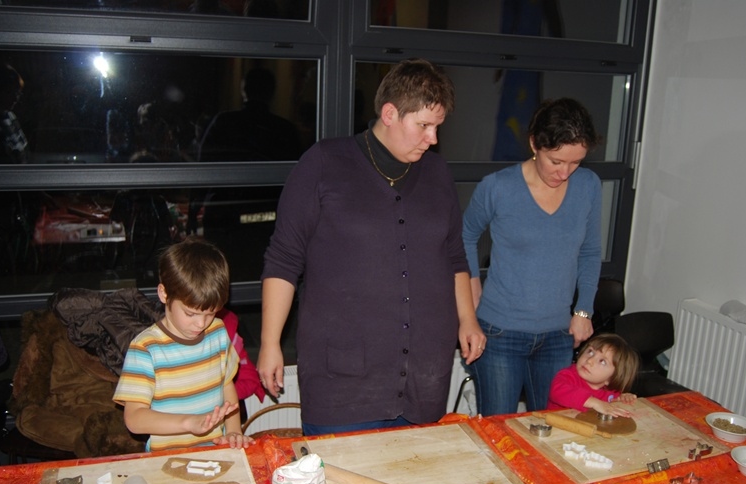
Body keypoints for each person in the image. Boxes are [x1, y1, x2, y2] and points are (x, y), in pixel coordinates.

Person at [258, 58, 486, 436]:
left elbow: (453, 255)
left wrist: (468, 319)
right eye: (424, 126)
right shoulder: (324, 163)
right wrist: (269, 343)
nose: (433, 139)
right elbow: (283, 259)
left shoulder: (437, 173)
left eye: (437, 127)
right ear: (390, 113)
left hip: (424, 375)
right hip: (342, 380)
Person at [462, 97, 602, 416]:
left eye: (575, 162)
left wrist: (584, 310)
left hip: (558, 335)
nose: (564, 172)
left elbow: (591, 251)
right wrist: (473, 286)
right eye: (556, 161)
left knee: (553, 427)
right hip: (500, 333)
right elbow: (465, 235)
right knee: (501, 430)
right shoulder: (497, 187)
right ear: (534, 144)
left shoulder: (588, 186)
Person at [113, 237, 254, 452]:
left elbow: (226, 386)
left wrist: (234, 431)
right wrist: (189, 423)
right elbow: (134, 418)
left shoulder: (217, 332)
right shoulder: (145, 349)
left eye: (211, 313)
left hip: (216, 452)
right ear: (164, 293)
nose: (201, 324)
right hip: (167, 458)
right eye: (190, 313)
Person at [547, 333, 639, 417]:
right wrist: (594, 403)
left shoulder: (609, 391)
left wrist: (623, 398)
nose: (590, 360)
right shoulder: (568, 375)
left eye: (602, 361)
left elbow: (612, 401)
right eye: (590, 352)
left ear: (610, 379)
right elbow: (556, 391)